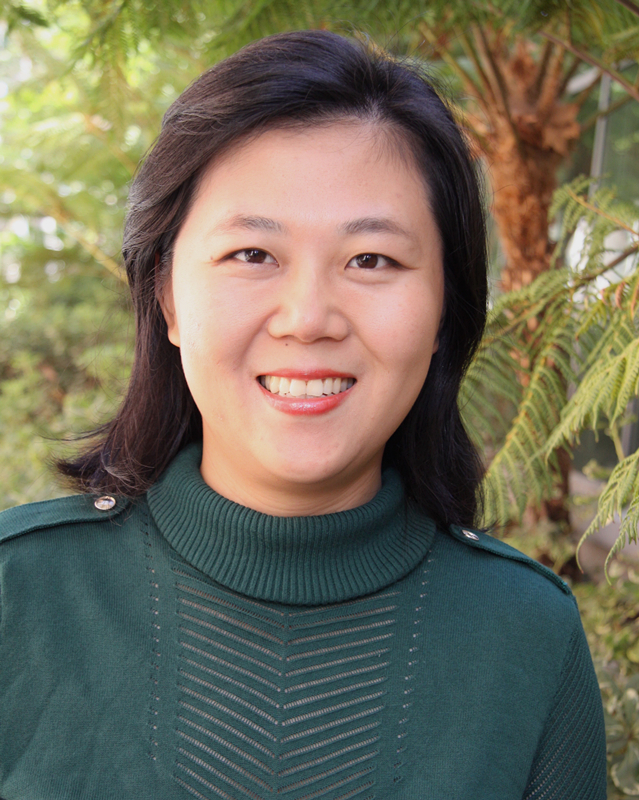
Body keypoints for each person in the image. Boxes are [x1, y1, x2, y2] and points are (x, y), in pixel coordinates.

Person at [0, 29, 606, 800]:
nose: (308, 318)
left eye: (371, 260)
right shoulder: (19, 594)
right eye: (252, 255)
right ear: (167, 296)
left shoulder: (527, 636)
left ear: (443, 310)